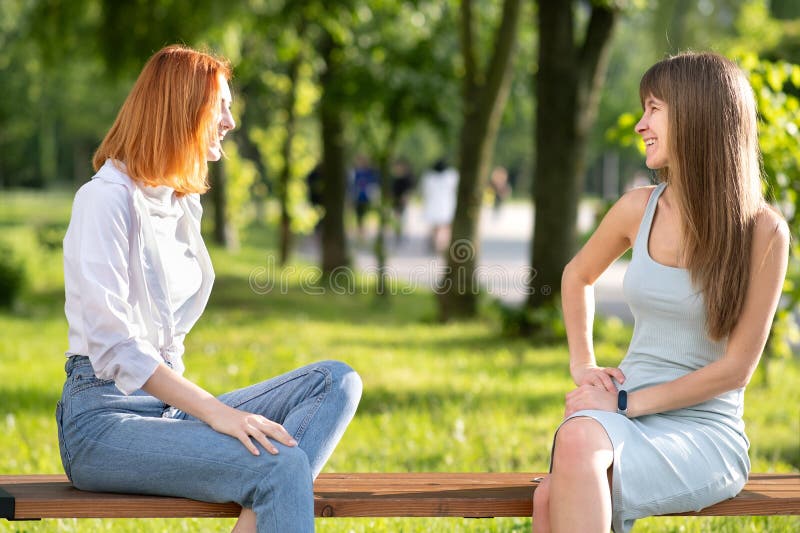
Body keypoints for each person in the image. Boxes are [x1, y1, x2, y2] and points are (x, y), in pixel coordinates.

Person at [57, 45, 362, 533]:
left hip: (170, 413)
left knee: (336, 382)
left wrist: (206, 414)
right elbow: (116, 346)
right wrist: (217, 414)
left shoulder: (180, 205)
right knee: (281, 467)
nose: (231, 121)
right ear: (182, 110)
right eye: (220, 106)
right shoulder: (103, 201)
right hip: (104, 423)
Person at [532, 52, 789, 533]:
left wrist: (623, 404)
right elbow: (576, 276)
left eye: (653, 108)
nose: (639, 125)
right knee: (554, 490)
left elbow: (736, 370)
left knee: (567, 467)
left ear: (696, 116)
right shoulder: (637, 209)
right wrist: (584, 367)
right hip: (622, 418)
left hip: (704, 432)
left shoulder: (764, 232)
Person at [421, 158, 459, 253]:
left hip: (434, 205)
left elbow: (425, 191)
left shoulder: (429, 177)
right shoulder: (451, 176)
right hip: (447, 204)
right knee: (446, 226)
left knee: (436, 227)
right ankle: (445, 244)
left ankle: (436, 243)